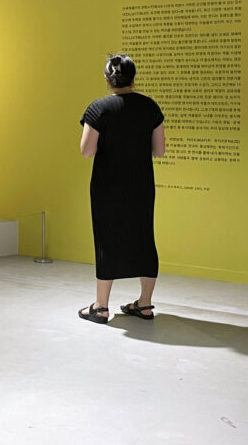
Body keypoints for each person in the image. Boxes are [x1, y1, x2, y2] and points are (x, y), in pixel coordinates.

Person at [78, 53, 165, 324]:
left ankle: (101, 307)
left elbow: (86, 151)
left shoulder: (98, 109)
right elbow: (159, 150)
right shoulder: (150, 107)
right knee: (144, 237)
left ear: (108, 80)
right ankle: (145, 304)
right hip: (141, 185)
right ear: (133, 78)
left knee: (106, 240)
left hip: (107, 186)